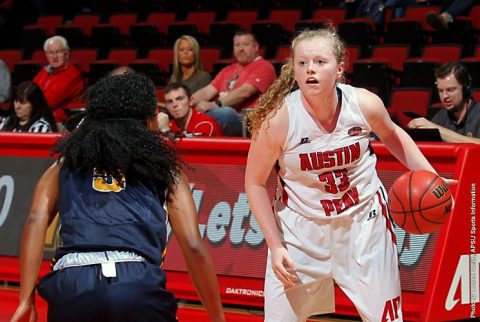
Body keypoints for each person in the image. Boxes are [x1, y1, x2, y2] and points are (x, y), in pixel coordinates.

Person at [244, 28, 456, 322]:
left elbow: (393, 134)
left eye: (320, 61)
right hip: (300, 232)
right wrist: (276, 245)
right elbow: (254, 183)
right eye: (303, 63)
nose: (310, 70)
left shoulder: (364, 103)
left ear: (340, 67)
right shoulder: (279, 119)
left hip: (364, 225)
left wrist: (429, 175)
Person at [9, 73, 225, 322]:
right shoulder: (165, 168)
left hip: (73, 281)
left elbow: (36, 218)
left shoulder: (66, 162)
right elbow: (194, 246)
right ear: (147, 120)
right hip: (136, 279)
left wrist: (25, 298)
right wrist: (218, 317)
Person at [190, 29, 276, 137]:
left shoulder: (264, 67)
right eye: (237, 45)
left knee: (224, 113)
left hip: (248, 122)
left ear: (256, 47)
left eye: (245, 44)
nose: (241, 49)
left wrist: (215, 104)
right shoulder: (228, 70)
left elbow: (245, 92)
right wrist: (189, 103)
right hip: (224, 115)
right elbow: (208, 91)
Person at [407, 62, 480, 143]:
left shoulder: (478, 113)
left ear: (466, 89)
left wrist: (438, 130)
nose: (444, 96)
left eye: (450, 90)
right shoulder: (441, 116)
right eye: (441, 91)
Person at [33, 35, 85, 124]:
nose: (55, 56)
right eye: (50, 53)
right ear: (46, 55)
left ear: (67, 54)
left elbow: (49, 101)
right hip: (41, 116)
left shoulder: (72, 74)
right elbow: (30, 91)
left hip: (61, 122)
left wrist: (29, 104)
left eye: (58, 52)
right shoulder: (44, 71)